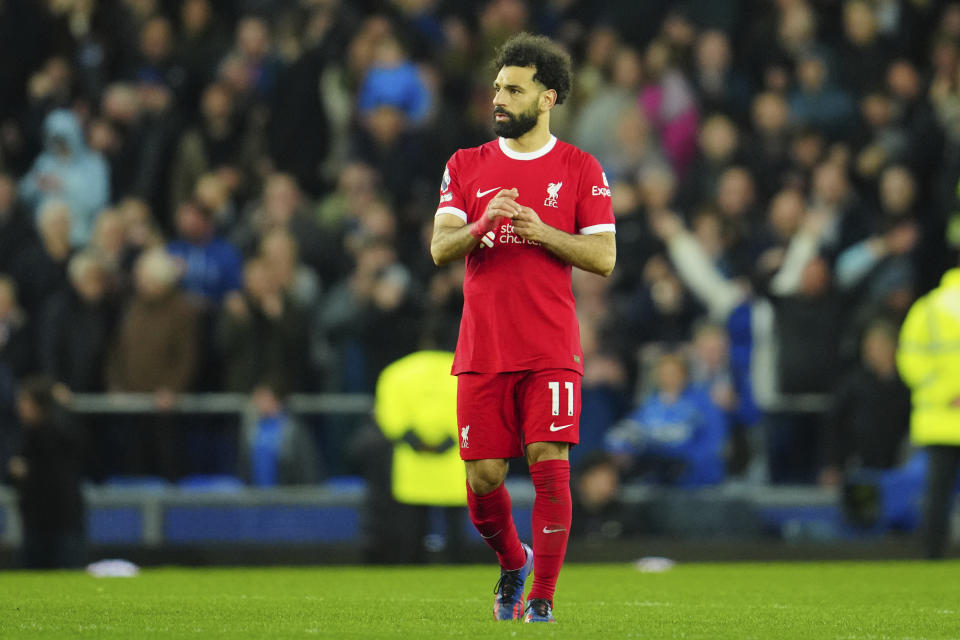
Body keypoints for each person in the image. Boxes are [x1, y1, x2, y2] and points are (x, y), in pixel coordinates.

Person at [429, 33, 616, 624]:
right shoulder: (466, 165)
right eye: (497, 88)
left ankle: (542, 598)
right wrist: (484, 222)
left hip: (549, 347)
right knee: (484, 480)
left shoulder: (580, 168)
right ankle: (514, 561)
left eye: (514, 89)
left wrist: (541, 233)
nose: (500, 99)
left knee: (547, 460)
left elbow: (604, 257)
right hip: (483, 348)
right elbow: (440, 248)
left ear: (549, 96)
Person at [896, 264, 960, 558]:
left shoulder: (928, 307)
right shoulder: (930, 307)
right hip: (942, 418)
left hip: (939, 418)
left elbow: (910, 358)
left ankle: (931, 556)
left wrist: (945, 393)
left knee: (938, 494)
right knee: (937, 493)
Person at [7, 376, 86, 569]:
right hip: (35, 521)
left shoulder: (58, 432)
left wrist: (63, 409)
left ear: (39, 404)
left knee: (67, 576)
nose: (20, 406)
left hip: (62, 521)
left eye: (25, 400)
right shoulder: (23, 434)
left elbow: (78, 449)